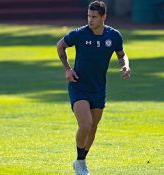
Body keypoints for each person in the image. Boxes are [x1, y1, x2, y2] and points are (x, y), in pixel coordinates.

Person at [56, 1, 131, 175]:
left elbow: (121, 54)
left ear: (104, 17)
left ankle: (81, 160)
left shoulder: (114, 36)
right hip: (79, 85)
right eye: (88, 16)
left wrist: (125, 66)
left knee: (93, 127)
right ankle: (80, 163)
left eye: (94, 17)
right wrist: (67, 69)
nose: (90, 20)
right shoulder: (79, 34)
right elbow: (60, 45)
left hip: (98, 87)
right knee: (86, 123)